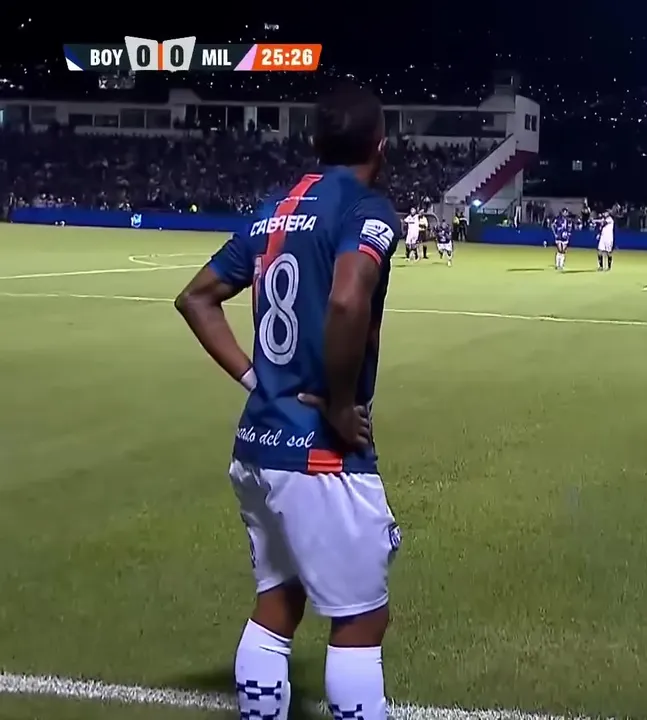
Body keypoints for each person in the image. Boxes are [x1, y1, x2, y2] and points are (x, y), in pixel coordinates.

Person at [173, 83, 401, 720]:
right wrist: (338, 404)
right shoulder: (367, 208)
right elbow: (348, 299)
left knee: (279, 601)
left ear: (316, 144)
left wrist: (257, 381)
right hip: (317, 455)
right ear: (380, 145)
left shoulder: (273, 211)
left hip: (257, 444)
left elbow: (195, 298)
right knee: (361, 620)